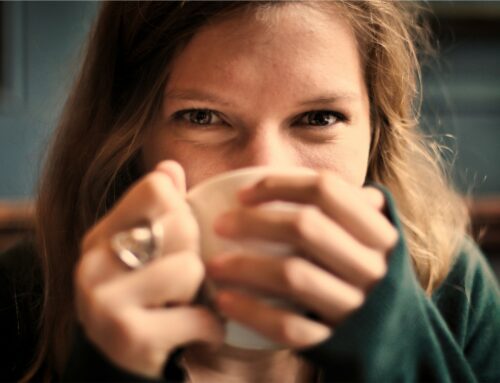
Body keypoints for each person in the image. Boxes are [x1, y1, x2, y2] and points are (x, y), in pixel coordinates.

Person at [0, 1, 498, 382]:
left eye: (319, 118)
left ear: (376, 134)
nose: (264, 173)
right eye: (203, 118)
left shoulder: (453, 292)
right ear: (131, 138)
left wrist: (401, 356)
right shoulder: (22, 297)